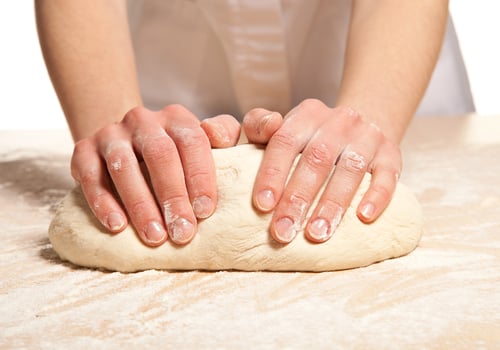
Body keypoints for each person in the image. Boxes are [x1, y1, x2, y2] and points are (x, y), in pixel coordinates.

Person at [35, 0, 464, 248]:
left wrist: (368, 117)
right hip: (174, 77)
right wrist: (114, 124)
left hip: (382, 65)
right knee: (144, 186)